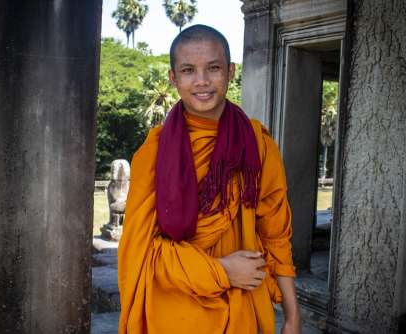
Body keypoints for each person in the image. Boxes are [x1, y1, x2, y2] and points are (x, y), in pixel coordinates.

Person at [118, 24, 301, 334]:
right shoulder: (153, 154)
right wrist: (221, 271)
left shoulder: (258, 145)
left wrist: (293, 317)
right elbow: (140, 252)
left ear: (230, 72)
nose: (202, 81)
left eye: (213, 68)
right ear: (173, 78)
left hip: (241, 305)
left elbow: (276, 234)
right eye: (188, 70)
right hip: (175, 309)